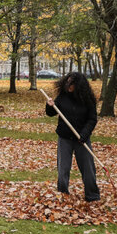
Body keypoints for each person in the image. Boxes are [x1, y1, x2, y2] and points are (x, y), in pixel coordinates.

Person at [44, 71, 100, 202]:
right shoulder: (63, 97)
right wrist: (50, 106)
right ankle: (63, 194)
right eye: (67, 83)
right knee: (63, 168)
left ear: (79, 85)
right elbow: (51, 113)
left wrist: (84, 134)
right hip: (65, 138)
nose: (68, 86)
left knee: (88, 169)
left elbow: (92, 119)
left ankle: (92, 195)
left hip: (82, 139)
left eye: (71, 84)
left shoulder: (88, 99)